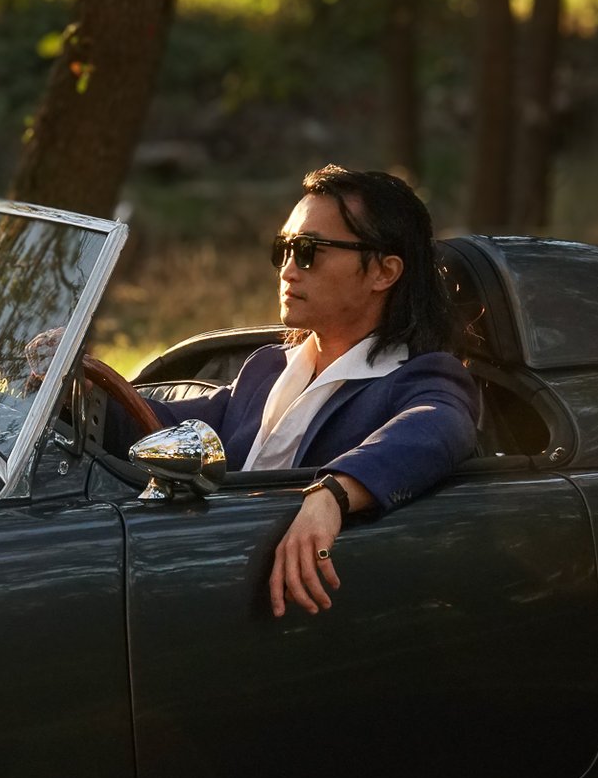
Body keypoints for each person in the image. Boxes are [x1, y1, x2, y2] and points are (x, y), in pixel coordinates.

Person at [131, 165, 479, 618]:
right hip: (212, 578)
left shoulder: (422, 377)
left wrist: (332, 494)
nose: (288, 270)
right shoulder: (268, 367)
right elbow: (175, 425)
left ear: (383, 272)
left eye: (310, 251)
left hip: (304, 611)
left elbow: (439, 427)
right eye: (285, 249)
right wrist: (77, 385)